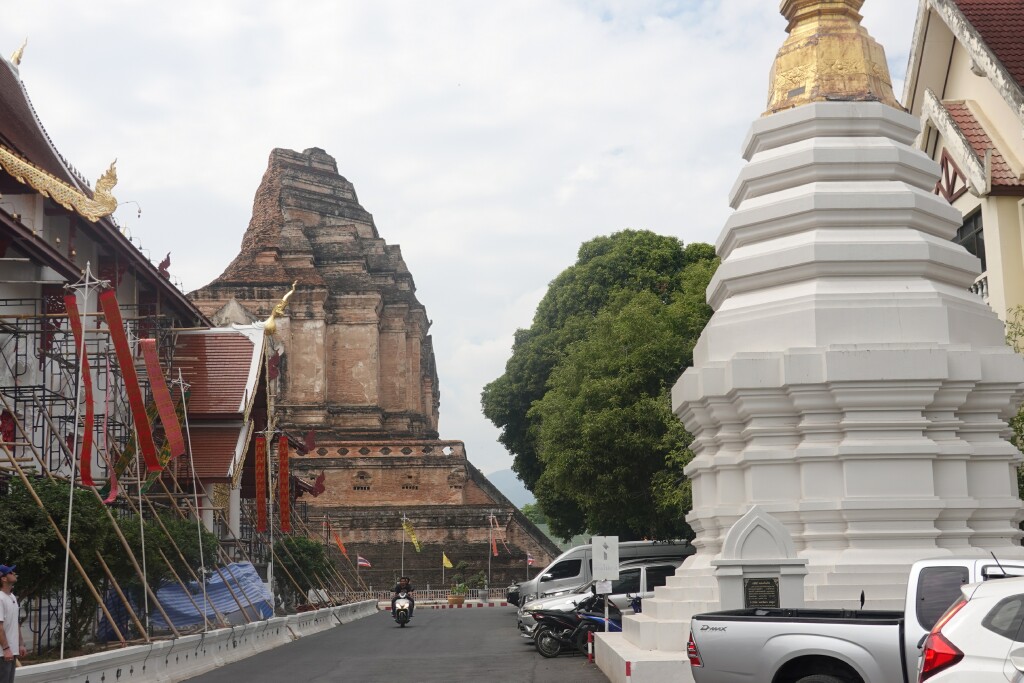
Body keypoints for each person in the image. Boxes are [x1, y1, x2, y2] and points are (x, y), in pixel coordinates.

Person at [0, 564, 25, 683]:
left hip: (12, 651)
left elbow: (16, 623)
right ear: (3, 578)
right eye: (10, 572)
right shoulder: (0, 598)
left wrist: (20, 644)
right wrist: (5, 648)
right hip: (2, 653)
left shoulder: (12, 597)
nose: (13, 574)